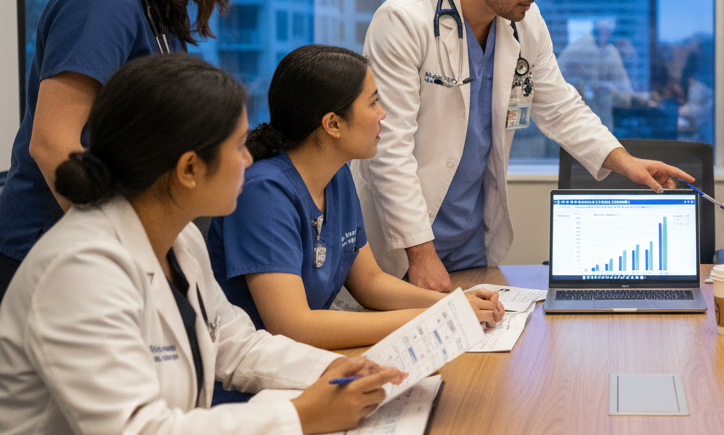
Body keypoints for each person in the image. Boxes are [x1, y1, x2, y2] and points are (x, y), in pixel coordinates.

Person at [0, 54, 404, 435]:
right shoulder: (80, 270)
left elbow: (237, 348)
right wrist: (301, 416)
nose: (250, 159)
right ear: (189, 169)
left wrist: (340, 369)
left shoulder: (179, 240)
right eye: (238, 147)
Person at [355, 0, 690, 293]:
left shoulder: (523, 22)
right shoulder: (403, 21)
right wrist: (421, 254)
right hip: (406, 242)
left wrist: (626, 163)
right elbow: (388, 148)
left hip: (469, 240)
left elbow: (560, 105)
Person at [0, 0, 261, 311]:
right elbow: (53, 144)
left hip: (111, 241)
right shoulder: (103, 2)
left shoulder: (158, 7)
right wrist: (127, 251)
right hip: (54, 241)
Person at [207, 46, 503, 374]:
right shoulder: (263, 192)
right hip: (251, 382)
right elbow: (293, 326)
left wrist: (451, 304)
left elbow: (370, 282)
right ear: (333, 124)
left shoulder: (337, 175)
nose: (383, 114)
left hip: (303, 365)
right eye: (373, 102)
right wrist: (435, 317)